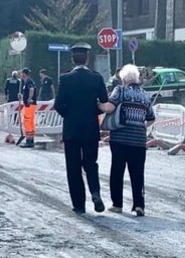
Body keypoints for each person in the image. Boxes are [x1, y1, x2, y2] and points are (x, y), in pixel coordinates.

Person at [54, 42, 108, 214]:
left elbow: (58, 104)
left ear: (72, 59)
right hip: (91, 128)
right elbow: (104, 101)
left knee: (73, 167)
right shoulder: (96, 78)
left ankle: (79, 204)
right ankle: (95, 193)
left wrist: (69, 116)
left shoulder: (65, 78)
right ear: (87, 58)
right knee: (91, 164)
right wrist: (92, 112)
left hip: (71, 130)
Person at [98, 64, 155, 217]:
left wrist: (98, 104)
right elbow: (151, 118)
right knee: (137, 173)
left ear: (123, 79)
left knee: (117, 171)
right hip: (138, 141)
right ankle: (139, 205)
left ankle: (117, 204)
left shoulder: (120, 91)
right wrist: (140, 126)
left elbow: (109, 108)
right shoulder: (145, 95)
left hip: (120, 139)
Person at [19, 68, 37, 148]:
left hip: (29, 105)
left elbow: (31, 90)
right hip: (31, 105)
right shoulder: (28, 82)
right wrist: (22, 97)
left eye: (22, 73)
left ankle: (28, 140)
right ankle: (31, 139)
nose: (21, 75)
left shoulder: (29, 82)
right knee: (31, 122)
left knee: (27, 122)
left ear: (24, 74)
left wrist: (29, 99)